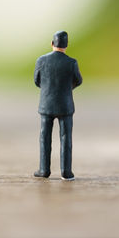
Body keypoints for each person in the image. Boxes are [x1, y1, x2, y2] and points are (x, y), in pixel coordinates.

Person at [33, 30, 82, 180]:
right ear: (66, 45)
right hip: (65, 105)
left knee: (44, 138)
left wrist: (48, 89)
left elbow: (36, 80)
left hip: (46, 104)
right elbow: (78, 80)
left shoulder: (41, 60)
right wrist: (67, 89)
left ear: (52, 43)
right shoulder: (71, 62)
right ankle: (66, 172)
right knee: (66, 138)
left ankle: (44, 170)